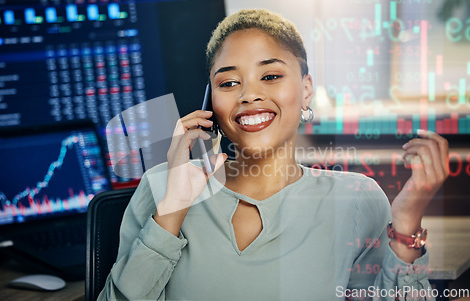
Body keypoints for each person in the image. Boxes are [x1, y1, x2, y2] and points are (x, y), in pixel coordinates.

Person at [98, 9, 449, 301]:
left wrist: (406, 226)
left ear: (306, 90)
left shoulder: (357, 199)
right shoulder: (161, 185)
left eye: (269, 75)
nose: (249, 94)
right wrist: (173, 207)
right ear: (211, 104)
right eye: (229, 83)